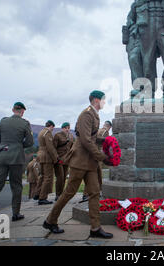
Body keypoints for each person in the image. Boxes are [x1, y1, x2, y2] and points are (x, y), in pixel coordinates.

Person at [43, 90, 113, 238]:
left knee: (94, 192)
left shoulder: (94, 114)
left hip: (90, 162)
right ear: (95, 100)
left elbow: (91, 138)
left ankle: (95, 228)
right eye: (103, 100)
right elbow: (86, 140)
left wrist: (107, 141)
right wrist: (101, 156)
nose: (104, 102)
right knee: (69, 192)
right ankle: (51, 220)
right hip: (81, 161)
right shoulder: (87, 114)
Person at [0, 102, 34, 228]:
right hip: (16, 158)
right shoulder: (25, 123)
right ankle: (16, 213)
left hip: (2, 156)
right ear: (23, 111)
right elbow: (30, 142)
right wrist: (18, 146)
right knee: (16, 186)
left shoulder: (3, 121)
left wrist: (5, 145)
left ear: (13, 109)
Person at [81, 120, 112, 203]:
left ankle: (94, 192)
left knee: (96, 174)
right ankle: (87, 194)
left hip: (92, 154)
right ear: (109, 127)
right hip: (97, 155)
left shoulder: (98, 130)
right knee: (94, 174)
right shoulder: (105, 132)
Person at [37, 120, 58, 205]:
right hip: (46, 157)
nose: (53, 130)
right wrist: (55, 157)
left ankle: (37, 194)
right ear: (51, 126)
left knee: (42, 176)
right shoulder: (47, 133)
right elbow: (50, 147)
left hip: (40, 155)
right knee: (48, 177)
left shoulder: (41, 132)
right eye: (53, 128)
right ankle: (42, 197)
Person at [53, 122, 74, 201]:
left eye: (68, 128)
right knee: (60, 177)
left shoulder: (71, 136)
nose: (67, 129)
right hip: (59, 159)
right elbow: (53, 148)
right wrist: (56, 158)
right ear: (62, 128)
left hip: (67, 159)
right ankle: (58, 194)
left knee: (64, 177)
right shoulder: (57, 135)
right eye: (65, 128)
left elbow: (72, 148)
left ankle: (62, 193)